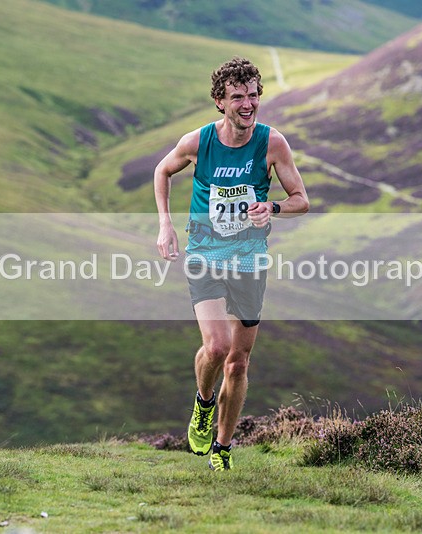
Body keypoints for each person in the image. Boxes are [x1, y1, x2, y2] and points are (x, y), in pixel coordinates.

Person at [154, 57, 309, 471]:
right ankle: (204, 403)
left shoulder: (272, 143)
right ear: (220, 102)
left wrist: (271, 206)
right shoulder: (198, 142)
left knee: (239, 362)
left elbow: (302, 200)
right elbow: (162, 171)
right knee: (217, 348)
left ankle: (222, 449)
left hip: (250, 261)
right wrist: (165, 226)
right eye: (237, 97)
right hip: (204, 254)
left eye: (253, 95)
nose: (247, 104)